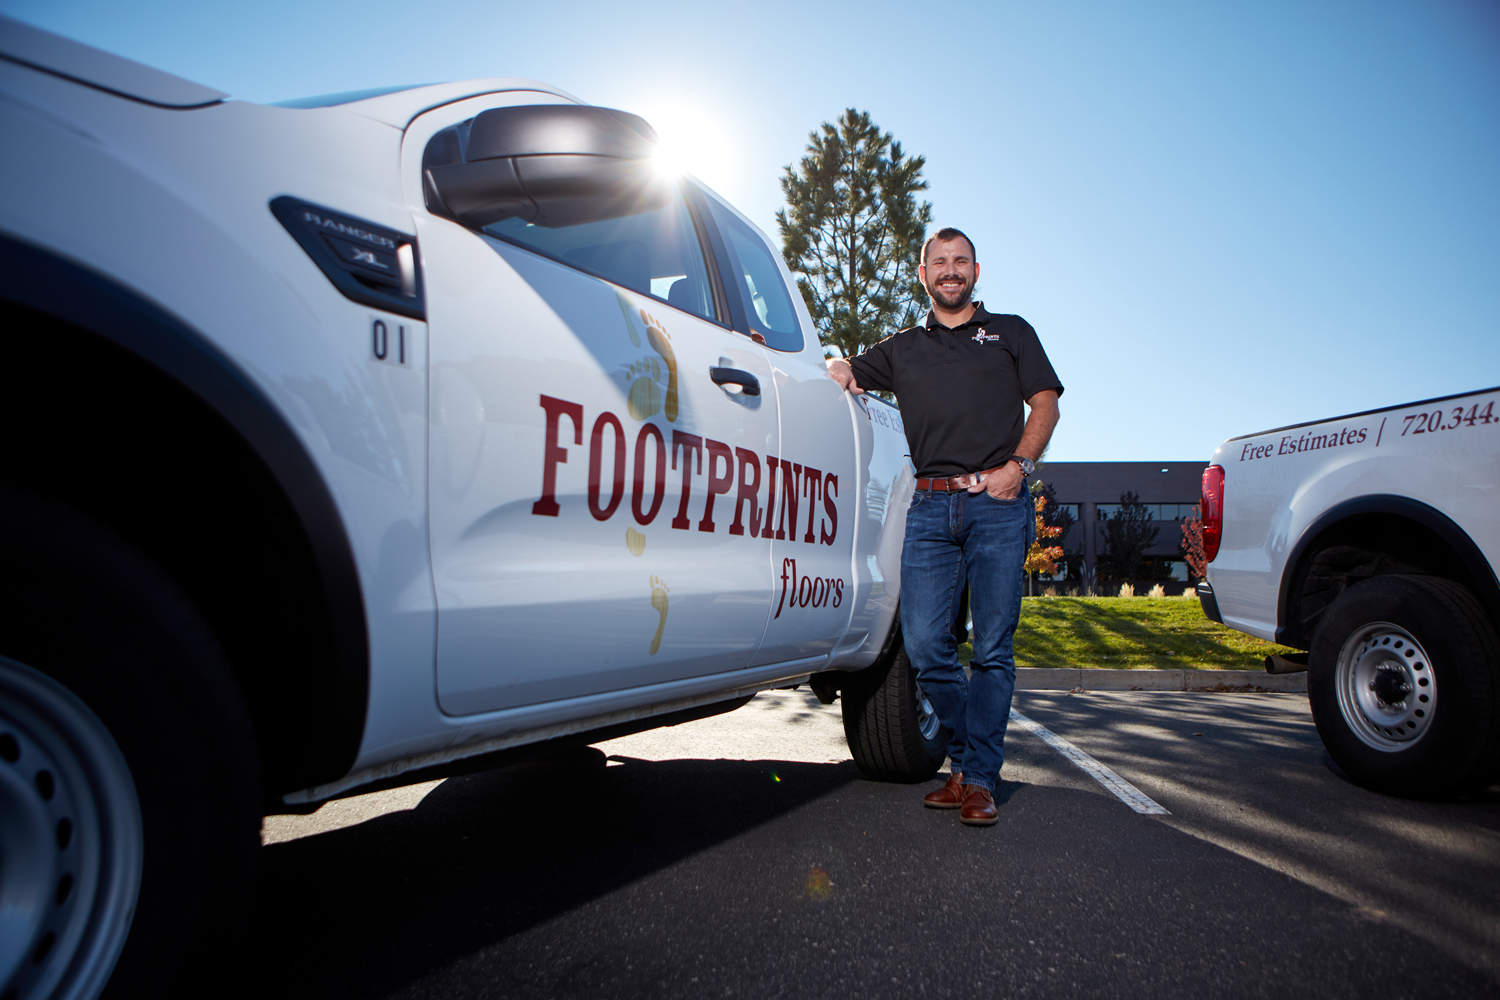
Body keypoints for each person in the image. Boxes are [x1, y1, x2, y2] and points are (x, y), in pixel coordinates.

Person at [827, 227, 1062, 826]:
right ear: (924, 273)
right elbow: (848, 368)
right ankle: (969, 760)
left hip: (998, 504)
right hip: (929, 508)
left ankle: (977, 778)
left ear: (976, 272)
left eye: (961, 262)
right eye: (940, 262)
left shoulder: (1011, 332)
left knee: (992, 649)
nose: (950, 271)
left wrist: (1020, 467)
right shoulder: (904, 347)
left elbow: (1046, 403)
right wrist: (834, 365)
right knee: (928, 646)